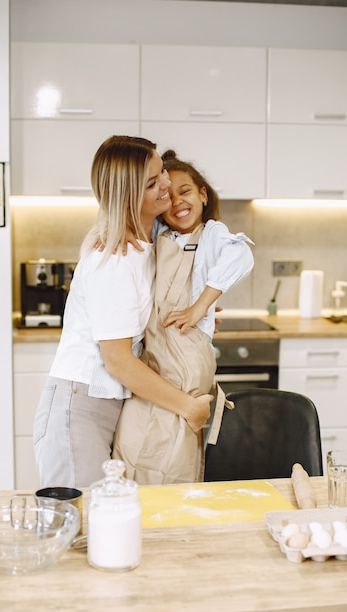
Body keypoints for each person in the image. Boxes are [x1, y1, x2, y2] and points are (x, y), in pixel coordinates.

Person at [33, 136, 214, 488]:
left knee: (110, 522)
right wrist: (187, 407)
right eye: (152, 183)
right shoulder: (115, 259)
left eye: (161, 170)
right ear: (129, 197)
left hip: (109, 403)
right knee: (82, 527)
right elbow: (117, 360)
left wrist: (197, 314)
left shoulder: (145, 244)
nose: (166, 185)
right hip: (81, 407)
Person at [112, 150, 254, 484]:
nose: (177, 202)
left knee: (173, 456)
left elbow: (241, 255)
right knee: (136, 444)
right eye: (169, 194)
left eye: (186, 191)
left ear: (203, 194)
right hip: (154, 358)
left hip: (186, 359)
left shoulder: (212, 233)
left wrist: (200, 307)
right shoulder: (160, 233)